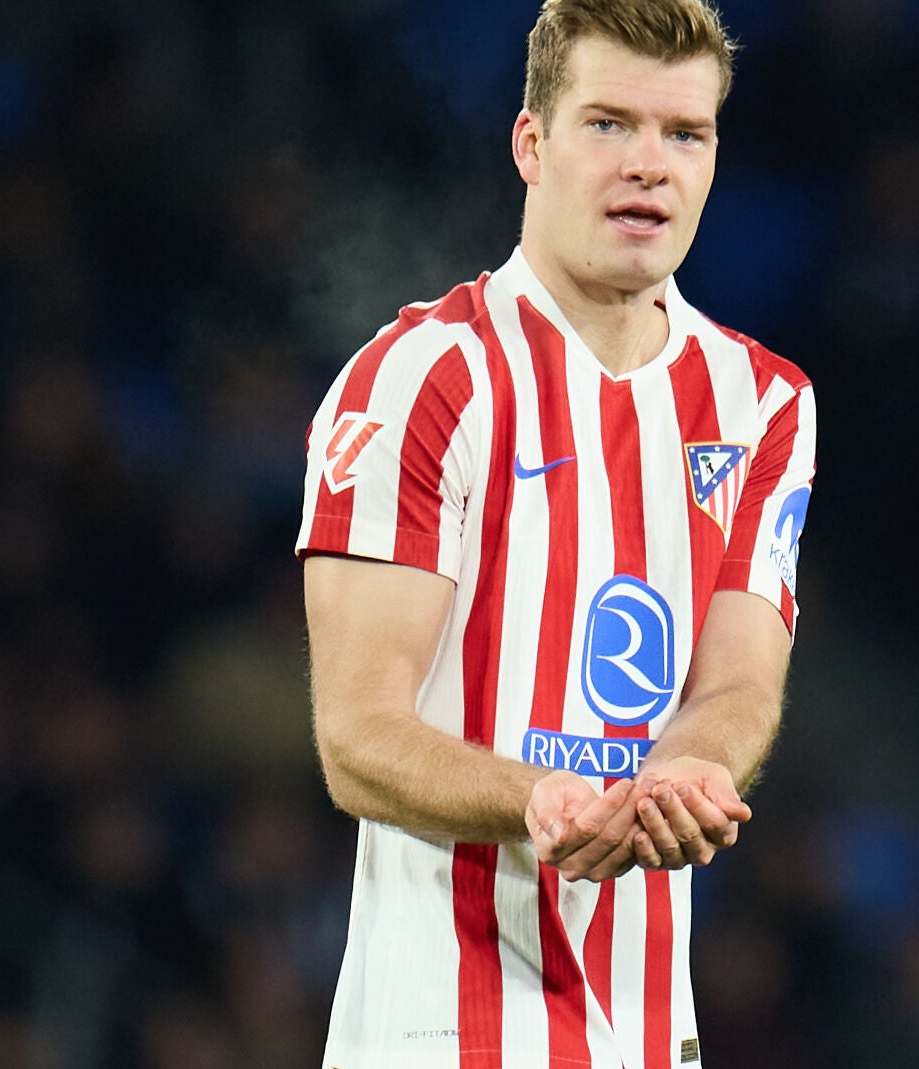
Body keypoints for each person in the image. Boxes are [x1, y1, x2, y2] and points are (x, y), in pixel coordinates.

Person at [295, 1, 816, 1065]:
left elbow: (739, 683)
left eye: (685, 133)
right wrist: (538, 800)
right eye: (608, 123)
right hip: (444, 1028)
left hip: (645, 1029)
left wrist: (687, 774)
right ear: (531, 145)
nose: (649, 164)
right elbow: (356, 738)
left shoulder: (765, 403)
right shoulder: (422, 379)